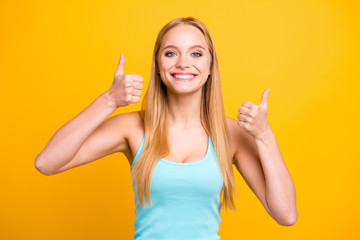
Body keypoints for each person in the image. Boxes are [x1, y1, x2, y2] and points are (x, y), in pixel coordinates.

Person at [35, 17, 298, 239]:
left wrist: (264, 135)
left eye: (196, 53)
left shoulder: (231, 134)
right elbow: (47, 163)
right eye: (171, 53)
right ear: (159, 66)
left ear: (209, 67)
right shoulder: (133, 127)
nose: (183, 63)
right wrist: (109, 100)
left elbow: (286, 214)